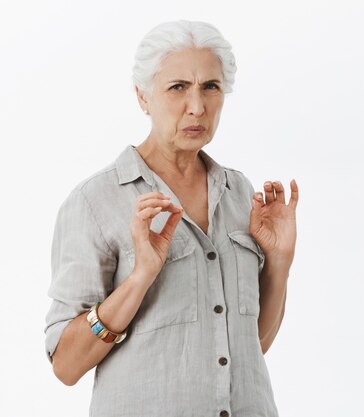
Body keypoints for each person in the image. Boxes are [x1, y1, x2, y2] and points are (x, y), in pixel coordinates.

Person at [43, 20, 298, 417]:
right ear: (143, 97)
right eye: (178, 87)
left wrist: (279, 262)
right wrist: (141, 275)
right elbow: (66, 365)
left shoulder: (241, 195)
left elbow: (249, 347)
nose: (197, 106)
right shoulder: (94, 202)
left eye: (210, 87)